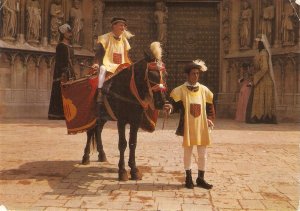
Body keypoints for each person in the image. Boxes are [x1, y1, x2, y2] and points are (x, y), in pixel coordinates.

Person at [164, 60, 215, 189]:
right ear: (187, 75)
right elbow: (175, 105)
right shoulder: (180, 90)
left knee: (203, 153)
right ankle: (188, 178)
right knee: (188, 152)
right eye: (193, 73)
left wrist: (210, 118)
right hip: (188, 127)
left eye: (198, 73)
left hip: (202, 127)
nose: (196, 76)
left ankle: (201, 178)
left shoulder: (204, 90)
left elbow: (210, 107)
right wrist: (170, 108)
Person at [92, 17, 134, 118]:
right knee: (102, 69)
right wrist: (96, 63)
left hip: (122, 65)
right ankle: (100, 93)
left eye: (124, 26)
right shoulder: (105, 38)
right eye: (120, 25)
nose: (123, 27)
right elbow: (99, 53)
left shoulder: (124, 40)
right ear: (113, 26)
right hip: (108, 65)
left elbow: (126, 56)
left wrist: (131, 65)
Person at [48, 24, 75, 120]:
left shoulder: (70, 46)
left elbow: (71, 60)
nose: (70, 34)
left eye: (70, 32)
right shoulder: (60, 46)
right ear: (63, 33)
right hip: (62, 73)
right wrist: (63, 72)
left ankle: (68, 113)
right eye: (68, 32)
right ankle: (57, 114)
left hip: (70, 72)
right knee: (60, 92)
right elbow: (59, 61)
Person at [248, 34, 277, 123]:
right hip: (260, 80)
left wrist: (255, 78)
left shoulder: (264, 53)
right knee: (259, 98)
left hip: (264, 80)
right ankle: (258, 116)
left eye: (256, 42)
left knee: (262, 98)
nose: (255, 44)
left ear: (261, 43)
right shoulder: (259, 53)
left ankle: (261, 117)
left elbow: (264, 68)